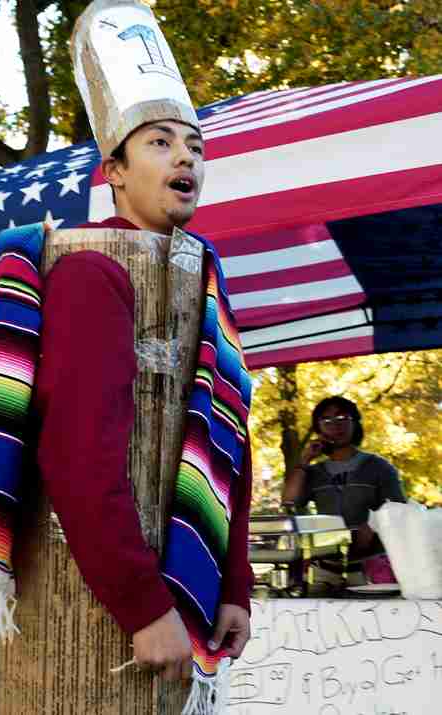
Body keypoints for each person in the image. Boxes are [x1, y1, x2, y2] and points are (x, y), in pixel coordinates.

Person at [33, 2, 253, 688]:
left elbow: (231, 438)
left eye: (196, 145)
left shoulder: (206, 280)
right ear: (114, 171)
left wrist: (235, 581)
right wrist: (141, 602)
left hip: (182, 599)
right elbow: (75, 453)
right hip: (94, 608)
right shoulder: (89, 271)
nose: (186, 155)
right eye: (159, 141)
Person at [281, 396, 406, 557]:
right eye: (326, 420)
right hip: (327, 559)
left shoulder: (379, 467)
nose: (335, 425)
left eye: (342, 417)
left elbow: (399, 509)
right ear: (318, 429)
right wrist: (305, 460)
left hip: (373, 560)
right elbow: (289, 500)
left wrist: (373, 526)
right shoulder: (314, 472)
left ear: (355, 423)